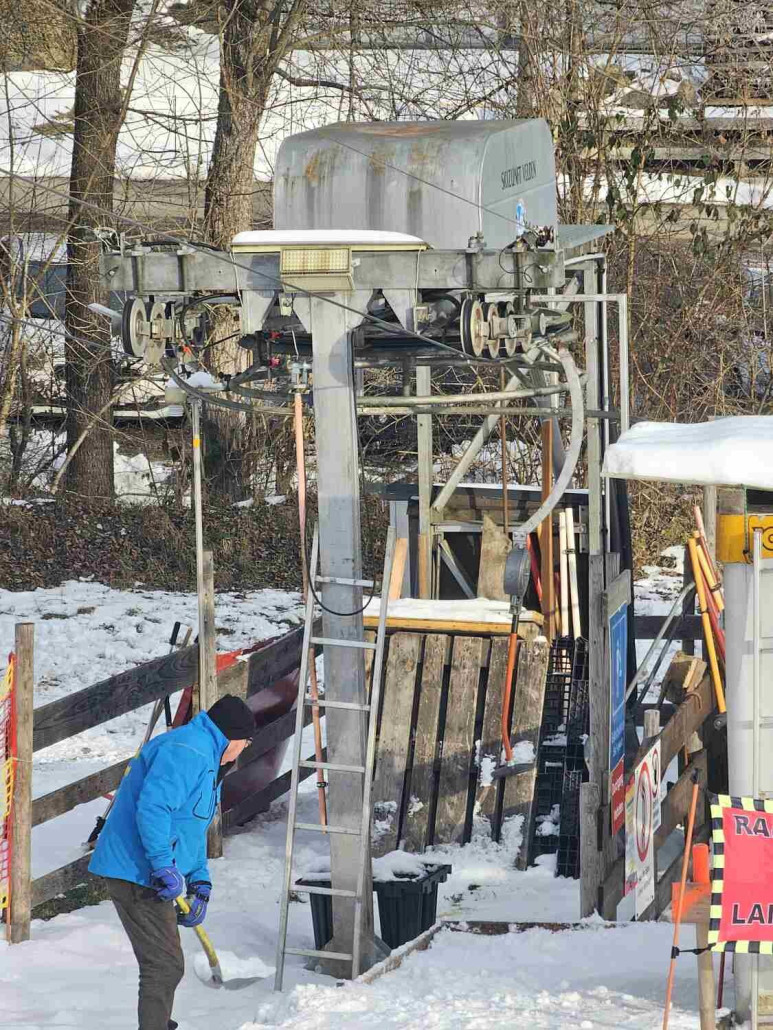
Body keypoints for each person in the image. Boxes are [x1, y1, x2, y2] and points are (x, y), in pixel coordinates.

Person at [89, 693, 255, 1030]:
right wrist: (164, 865)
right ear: (233, 737)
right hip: (135, 870)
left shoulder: (209, 760)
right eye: (246, 742)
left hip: (151, 870)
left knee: (166, 964)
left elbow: (190, 827)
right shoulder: (187, 752)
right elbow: (153, 809)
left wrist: (199, 881)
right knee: (163, 965)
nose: (245, 750)